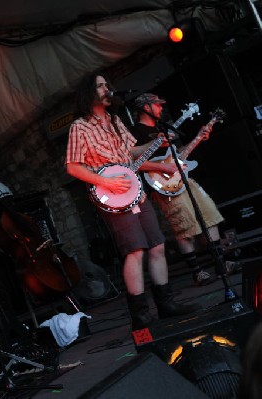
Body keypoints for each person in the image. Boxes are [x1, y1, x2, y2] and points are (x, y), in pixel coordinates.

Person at [65, 72, 200, 330]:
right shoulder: (79, 127)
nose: (107, 88)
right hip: (112, 196)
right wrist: (106, 182)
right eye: (101, 85)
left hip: (136, 190)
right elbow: (73, 167)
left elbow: (131, 153)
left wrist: (157, 142)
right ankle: (141, 315)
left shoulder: (115, 120)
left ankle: (166, 303)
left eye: (107, 84)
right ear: (88, 93)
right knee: (135, 251)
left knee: (158, 245)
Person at [130, 93, 237, 287]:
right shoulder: (135, 132)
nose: (161, 108)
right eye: (157, 104)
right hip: (162, 185)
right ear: (146, 107)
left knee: (209, 214)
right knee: (184, 226)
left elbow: (178, 155)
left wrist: (198, 138)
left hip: (182, 177)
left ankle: (221, 264)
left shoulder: (165, 128)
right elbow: (133, 162)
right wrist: (163, 168)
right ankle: (197, 273)